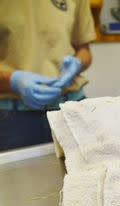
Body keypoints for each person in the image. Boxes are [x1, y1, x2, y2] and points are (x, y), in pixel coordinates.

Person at [0, 0, 96, 151]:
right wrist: (12, 81)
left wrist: (77, 63)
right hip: (14, 118)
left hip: (71, 107)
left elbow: (84, 49)